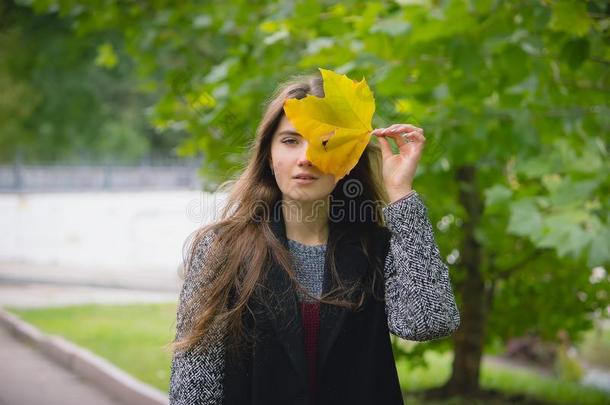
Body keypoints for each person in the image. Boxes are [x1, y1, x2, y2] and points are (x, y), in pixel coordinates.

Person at [168, 72, 461, 405]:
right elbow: (193, 386)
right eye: (291, 141)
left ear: (348, 160)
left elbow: (429, 321)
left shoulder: (376, 247)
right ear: (269, 155)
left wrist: (400, 196)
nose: (306, 157)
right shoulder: (223, 249)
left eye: (324, 142)